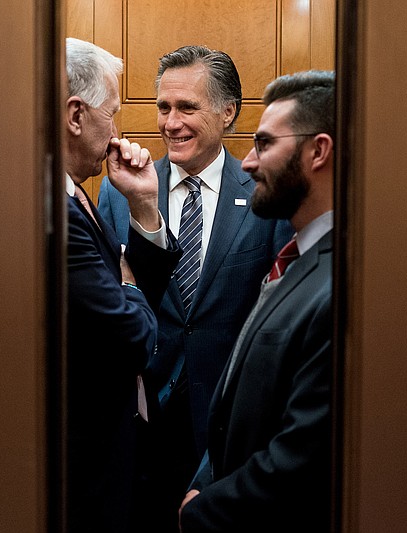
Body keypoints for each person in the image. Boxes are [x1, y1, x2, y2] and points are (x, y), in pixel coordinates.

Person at [97, 45, 294, 532]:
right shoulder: (119, 190)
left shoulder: (264, 193)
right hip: (142, 428)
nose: (171, 123)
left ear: (228, 112)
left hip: (226, 428)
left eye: (188, 108)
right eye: (164, 107)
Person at [178, 70, 336, 533]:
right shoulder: (297, 260)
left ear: (318, 151)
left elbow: (302, 457)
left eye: (265, 144)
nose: (247, 163)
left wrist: (202, 510)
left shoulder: (340, 284)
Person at [63, 37, 182, 533]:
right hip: (87, 464)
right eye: (110, 114)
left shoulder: (81, 196)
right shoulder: (57, 213)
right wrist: (128, 282)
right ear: (75, 115)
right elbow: (132, 333)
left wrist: (143, 207)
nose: (117, 131)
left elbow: (132, 297)